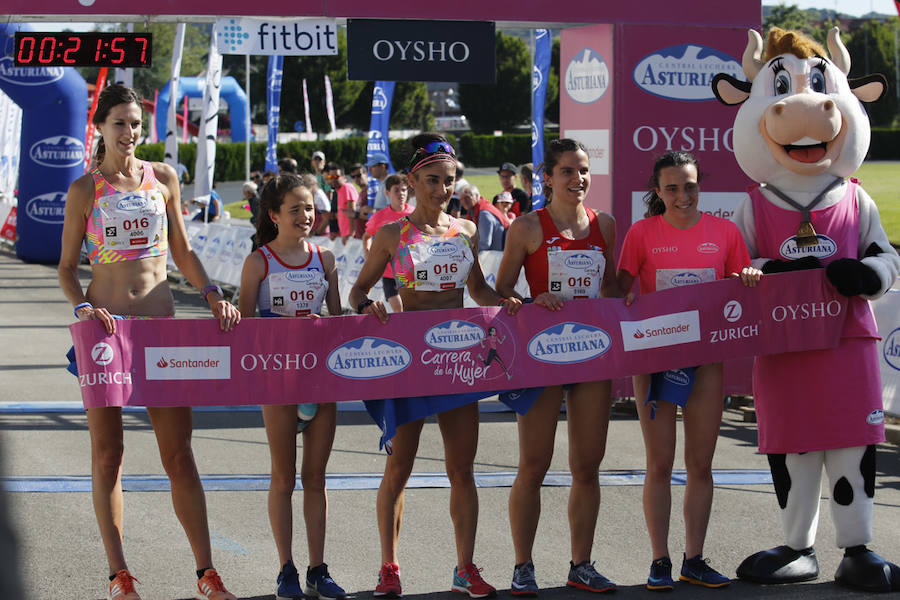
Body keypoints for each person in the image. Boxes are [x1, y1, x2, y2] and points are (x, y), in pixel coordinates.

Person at [57, 84, 241, 600]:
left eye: (136, 123)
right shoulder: (84, 191)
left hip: (161, 331)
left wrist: (210, 293)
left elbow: (181, 249)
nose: (130, 133)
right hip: (106, 333)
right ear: (101, 128)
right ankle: (120, 575)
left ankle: (207, 572)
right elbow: (68, 268)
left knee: (178, 454)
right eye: (120, 123)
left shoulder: (162, 179)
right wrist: (83, 307)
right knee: (108, 454)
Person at [349, 133, 522, 600]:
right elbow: (357, 292)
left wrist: (505, 300)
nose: (442, 189)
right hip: (409, 361)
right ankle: (389, 565)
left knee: (462, 468)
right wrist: (373, 306)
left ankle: (465, 567)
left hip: (458, 359)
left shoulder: (463, 230)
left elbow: (480, 292)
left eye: (449, 181)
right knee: (399, 467)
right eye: (432, 180)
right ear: (413, 180)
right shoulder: (392, 235)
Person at [615, 151, 761, 592]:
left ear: (700, 187)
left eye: (690, 186)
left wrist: (750, 274)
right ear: (657, 192)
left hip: (705, 363)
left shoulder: (725, 231)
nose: (683, 196)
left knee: (701, 464)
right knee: (658, 464)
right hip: (656, 364)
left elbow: (740, 280)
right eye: (673, 188)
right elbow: (617, 295)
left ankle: (693, 559)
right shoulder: (641, 234)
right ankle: (659, 559)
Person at [495, 138, 620, 596]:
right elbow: (500, 290)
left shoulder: (604, 224)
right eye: (568, 171)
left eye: (584, 170)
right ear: (547, 177)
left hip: (590, 355)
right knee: (533, 465)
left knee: (588, 467)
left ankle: (581, 564)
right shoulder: (528, 227)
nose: (579, 179)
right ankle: (522, 565)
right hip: (541, 355)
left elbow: (611, 285)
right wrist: (531, 299)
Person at [237, 174, 346, 600]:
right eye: (296, 208)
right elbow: (245, 328)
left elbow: (337, 321)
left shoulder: (326, 258)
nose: (306, 215)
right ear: (274, 215)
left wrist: (335, 323)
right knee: (283, 478)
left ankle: (319, 569)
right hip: (278, 379)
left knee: (315, 478)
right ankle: (287, 571)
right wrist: (284, 328)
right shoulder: (259, 261)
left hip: (321, 379)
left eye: (310, 207)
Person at [362, 173, 414, 314]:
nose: (401, 193)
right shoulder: (379, 217)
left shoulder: (415, 214)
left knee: (411, 310)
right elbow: (366, 236)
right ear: (387, 193)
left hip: (411, 273)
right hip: (389, 274)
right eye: (396, 190)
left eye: (404, 190)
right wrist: (367, 253)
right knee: (398, 309)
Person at [325, 162, 358, 243]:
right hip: (344, 236)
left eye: (336, 176)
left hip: (352, 238)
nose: (333, 179)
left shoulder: (346, 188)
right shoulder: (339, 191)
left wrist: (350, 235)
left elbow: (352, 213)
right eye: (331, 177)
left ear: (344, 177)